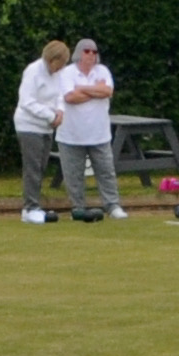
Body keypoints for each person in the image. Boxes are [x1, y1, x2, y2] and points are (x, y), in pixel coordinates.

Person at [54, 36, 123, 220]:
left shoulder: (103, 71)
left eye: (94, 51)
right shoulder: (67, 73)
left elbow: (108, 92)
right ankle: (78, 207)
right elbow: (70, 97)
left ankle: (112, 205)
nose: (91, 55)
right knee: (73, 175)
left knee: (106, 171)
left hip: (99, 133)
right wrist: (95, 91)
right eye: (87, 51)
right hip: (71, 133)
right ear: (79, 53)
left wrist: (82, 88)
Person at [14, 37, 74, 223]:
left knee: (41, 167)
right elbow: (27, 102)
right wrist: (50, 115)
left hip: (47, 127)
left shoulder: (58, 74)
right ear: (51, 59)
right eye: (60, 64)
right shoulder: (33, 71)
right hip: (28, 125)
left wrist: (60, 113)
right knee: (32, 167)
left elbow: (60, 97)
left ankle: (31, 208)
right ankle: (30, 208)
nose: (61, 68)